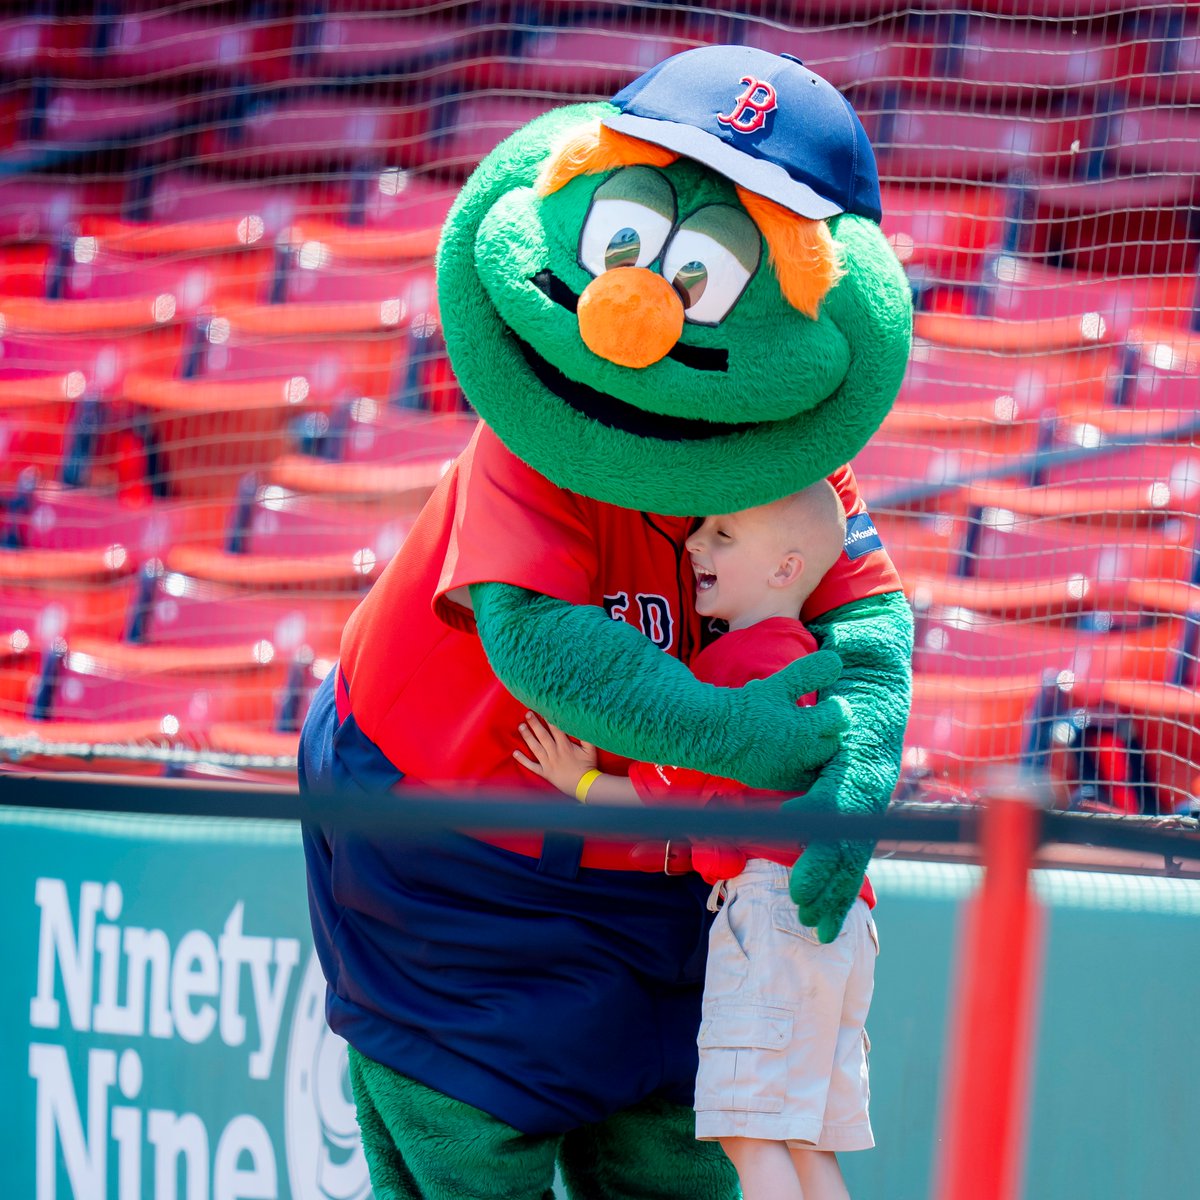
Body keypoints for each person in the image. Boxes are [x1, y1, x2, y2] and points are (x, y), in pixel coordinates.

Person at [515, 480, 879, 1200]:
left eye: (724, 534)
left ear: (786, 570)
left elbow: (662, 801)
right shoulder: (813, 661)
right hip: (843, 919)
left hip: (768, 909)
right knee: (809, 1142)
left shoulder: (727, 671)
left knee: (751, 1135)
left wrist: (581, 785)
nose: (694, 543)